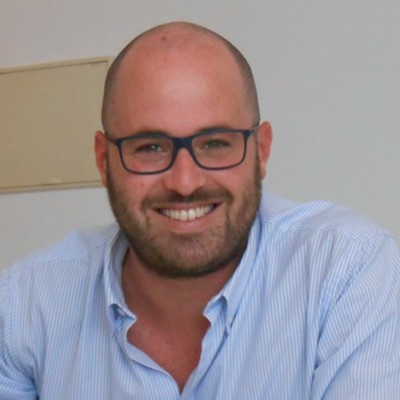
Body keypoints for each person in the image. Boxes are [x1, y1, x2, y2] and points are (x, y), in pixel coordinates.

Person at [1, 21, 399, 400]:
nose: (185, 182)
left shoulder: (344, 270)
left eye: (215, 143)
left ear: (261, 151)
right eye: (150, 147)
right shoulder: (24, 306)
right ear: (104, 160)